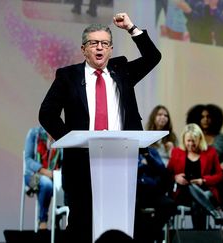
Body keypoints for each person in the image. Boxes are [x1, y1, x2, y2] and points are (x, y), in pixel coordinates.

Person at [39, 12, 161, 242]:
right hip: (81, 161)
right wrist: (73, 140)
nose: (99, 47)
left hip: (120, 159)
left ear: (111, 49)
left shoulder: (122, 71)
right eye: (94, 43)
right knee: (82, 224)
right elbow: (47, 113)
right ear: (83, 48)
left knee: (123, 224)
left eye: (105, 43)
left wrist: (131, 28)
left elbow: (153, 56)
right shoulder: (68, 76)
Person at [167, 123, 223, 229]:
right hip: (182, 193)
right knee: (189, 185)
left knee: (197, 203)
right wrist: (176, 178)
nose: (191, 144)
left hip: (206, 191)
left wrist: (203, 181)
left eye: (194, 141)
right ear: (183, 140)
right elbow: (167, 174)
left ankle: (198, 237)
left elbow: (220, 175)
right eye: (188, 140)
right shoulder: (176, 152)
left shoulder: (210, 152)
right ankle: (213, 213)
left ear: (200, 139)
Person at [24, 126, 63, 230]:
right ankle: (42, 220)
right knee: (46, 184)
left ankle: (57, 221)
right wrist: (44, 171)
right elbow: (28, 159)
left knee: (65, 184)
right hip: (33, 176)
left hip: (53, 176)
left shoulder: (60, 137)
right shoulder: (34, 133)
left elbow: (62, 161)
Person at [134, 147, 176, 243]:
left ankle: (151, 234)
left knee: (169, 204)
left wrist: (148, 157)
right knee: (133, 208)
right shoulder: (126, 150)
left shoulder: (151, 151)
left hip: (152, 190)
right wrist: (142, 166)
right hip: (135, 191)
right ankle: (142, 237)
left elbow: (161, 169)